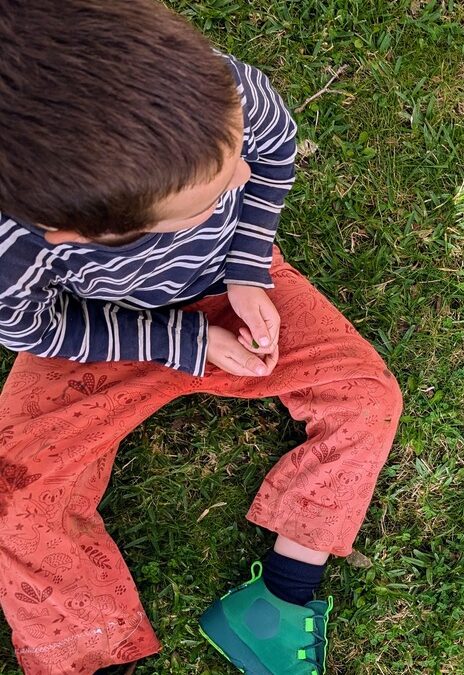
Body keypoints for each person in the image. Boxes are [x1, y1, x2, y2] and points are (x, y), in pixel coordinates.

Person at [0, 1, 403, 673]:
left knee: (365, 396)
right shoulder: (16, 250)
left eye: (231, 158)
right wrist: (177, 342)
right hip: (105, 330)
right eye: (211, 200)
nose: (240, 178)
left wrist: (247, 265)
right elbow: (36, 327)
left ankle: (279, 599)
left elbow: (270, 156)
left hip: (234, 288)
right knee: (13, 491)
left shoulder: (221, 92)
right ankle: (87, 648)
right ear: (81, 235)